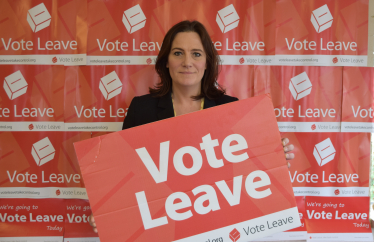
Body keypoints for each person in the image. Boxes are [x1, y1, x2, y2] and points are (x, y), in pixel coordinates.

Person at [89, 20, 295, 233]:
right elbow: (127, 177)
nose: (187, 62)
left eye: (196, 54)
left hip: (216, 228)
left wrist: (274, 161)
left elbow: (246, 174)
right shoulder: (142, 109)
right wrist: (109, 213)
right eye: (178, 53)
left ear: (207, 62)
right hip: (161, 229)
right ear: (166, 61)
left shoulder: (231, 108)